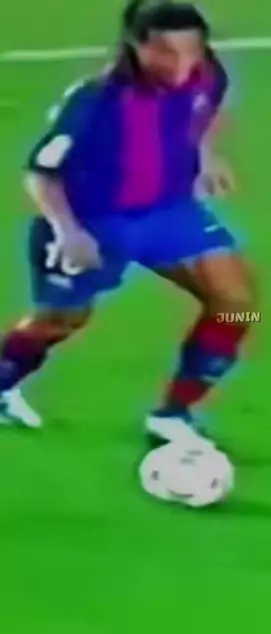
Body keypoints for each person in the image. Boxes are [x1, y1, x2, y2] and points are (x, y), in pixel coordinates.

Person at [0, 0, 257, 448]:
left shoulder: (209, 73)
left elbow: (203, 111)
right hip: (95, 223)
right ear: (136, 46)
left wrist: (204, 153)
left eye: (190, 50)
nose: (180, 64)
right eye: (165, 52)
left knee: (237, 305)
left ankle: (174, 415)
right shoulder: (95, 100)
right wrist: (68, 232)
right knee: (60, 321)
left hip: (170, 215)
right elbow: (41, 172)